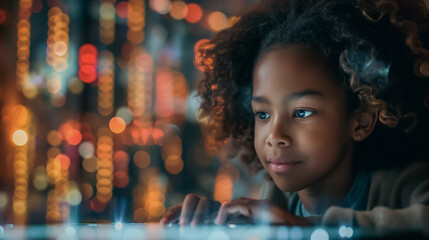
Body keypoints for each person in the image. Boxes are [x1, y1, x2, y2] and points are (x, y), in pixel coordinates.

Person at [160, 0, 429, 229]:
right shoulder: (275, 198)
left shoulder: (406, 183)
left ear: (361, 120)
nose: (275, 136)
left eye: (301, 112)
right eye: (263, 115)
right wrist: (217, 222)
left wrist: (302, 227)